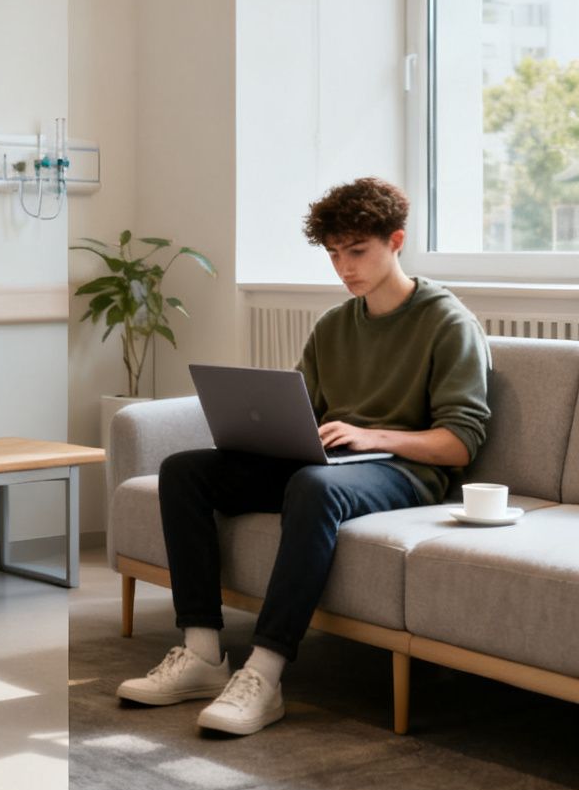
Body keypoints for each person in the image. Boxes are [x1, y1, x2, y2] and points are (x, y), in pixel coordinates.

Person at [117, 177, 490, 735]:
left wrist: (374, 437)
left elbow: (459, 442)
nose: (345, 269)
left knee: (313, 487)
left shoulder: (446, 321)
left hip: (405, 471)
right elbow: (304, 415)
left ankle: (264, 674)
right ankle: (201, 654)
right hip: (330, 464)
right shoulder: (335, 324)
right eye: (335, 255)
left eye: (357, 252)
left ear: (396, 241)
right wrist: (266, 435)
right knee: (185, 470)